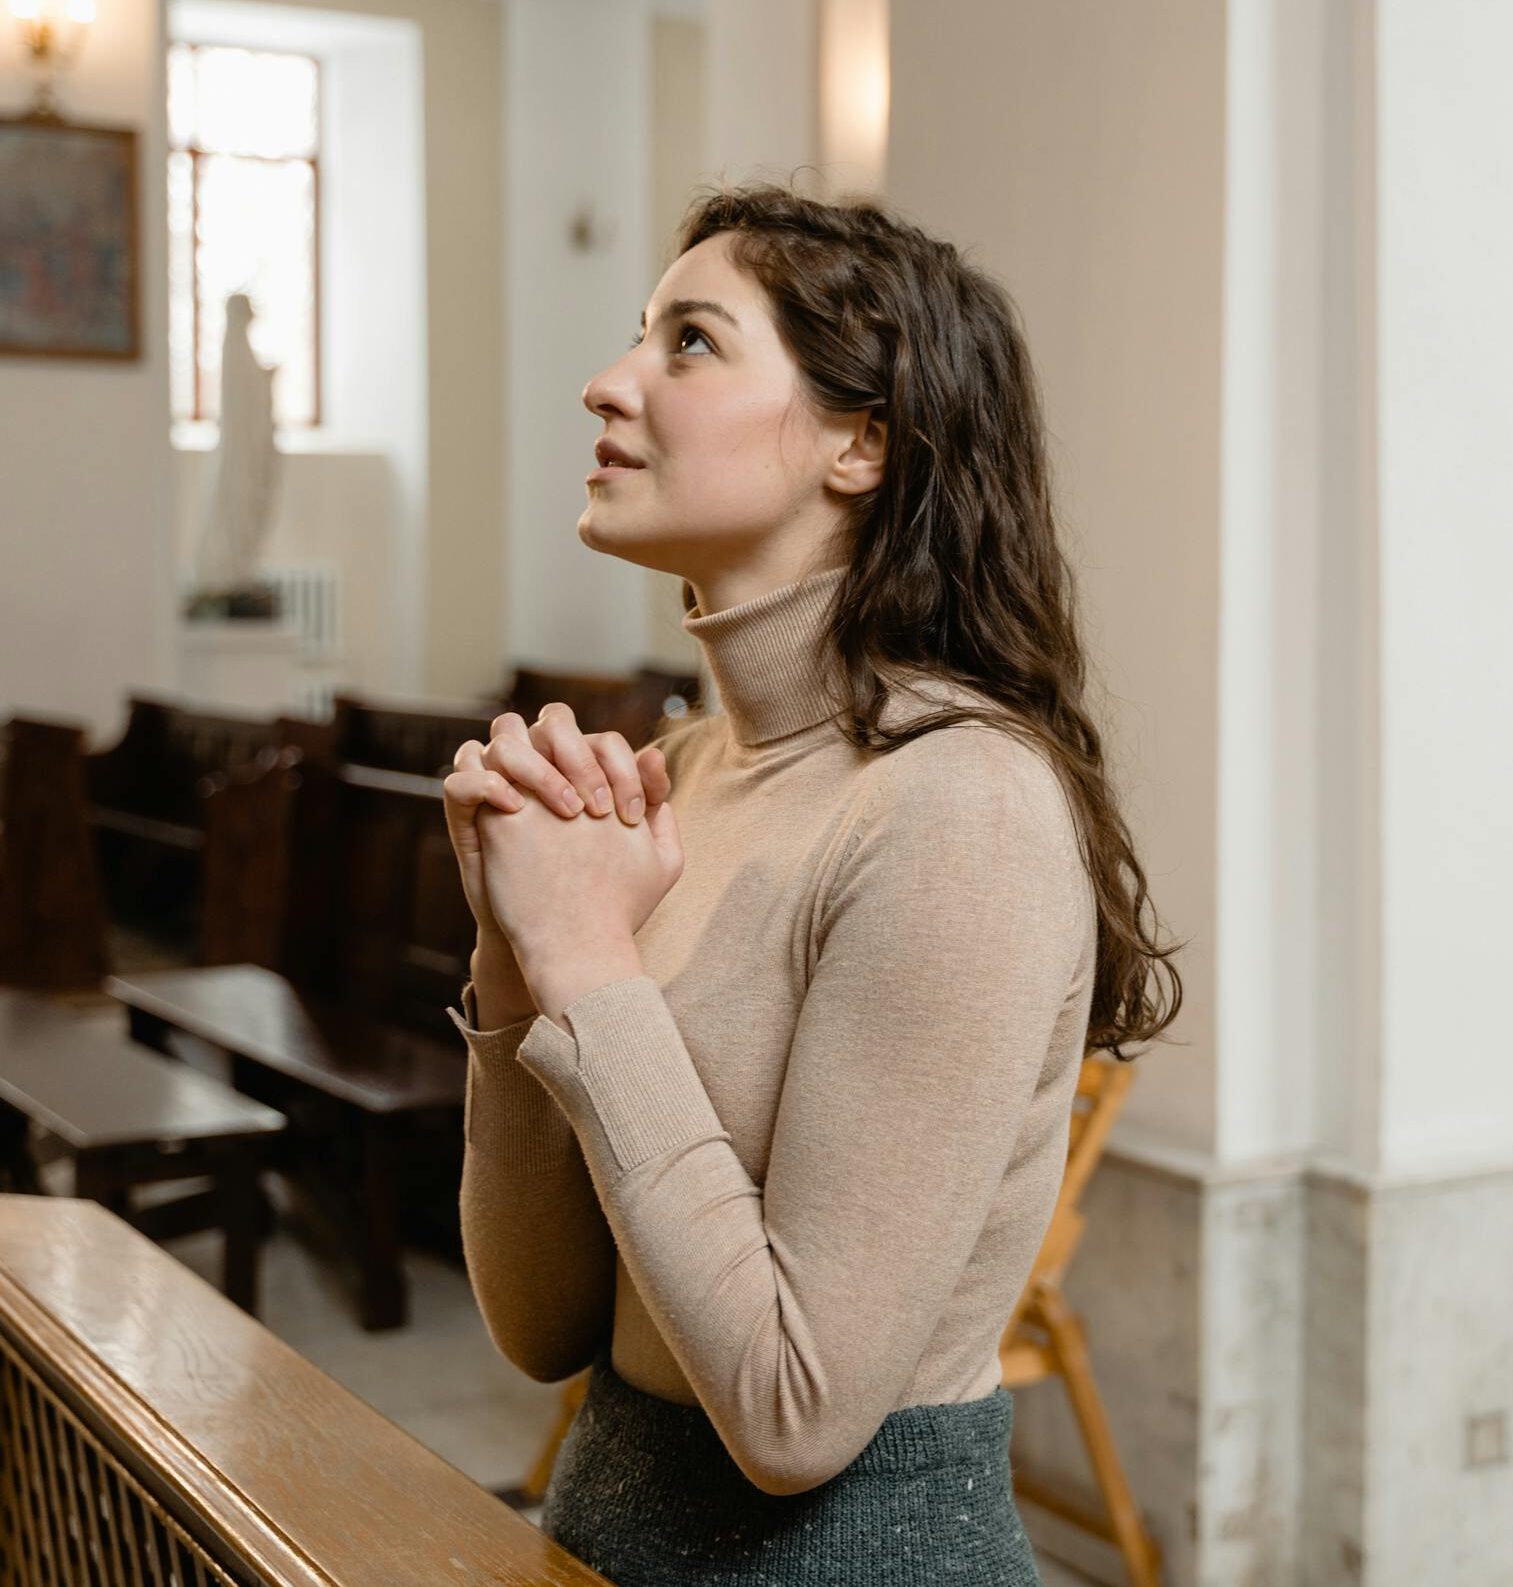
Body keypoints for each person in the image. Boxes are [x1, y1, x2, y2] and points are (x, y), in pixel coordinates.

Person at [439, 182, 1182, 1585]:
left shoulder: (961, 807)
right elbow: (542, 1327)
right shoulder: (681, 775)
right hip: (603, 1538)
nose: (609, 385)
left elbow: (797, 1412)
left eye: (690, 343)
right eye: (635, 339)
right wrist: (513, 949)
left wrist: (591, 963)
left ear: (859, 442)